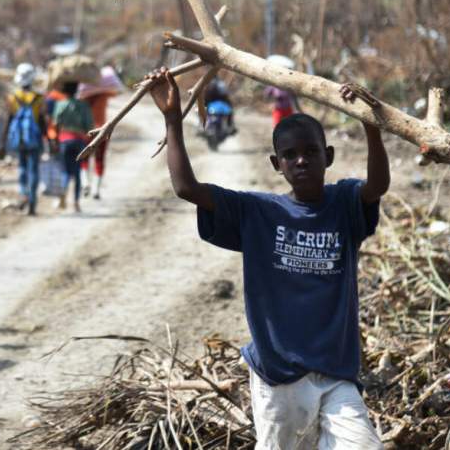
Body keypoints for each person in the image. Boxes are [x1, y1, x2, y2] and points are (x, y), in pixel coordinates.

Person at [148, 67, 390, 450]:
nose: (301, 161)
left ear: (327, 156)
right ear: (276, 164)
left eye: (311, 152)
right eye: (289, 155)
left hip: (336, 372)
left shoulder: (344, 204)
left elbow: (377, 186)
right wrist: (172, 119)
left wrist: (370, 125)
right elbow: (186, 188)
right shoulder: (257, 213)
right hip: (279, 377)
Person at [0, 63, 47, 215]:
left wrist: (2, 142)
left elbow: (9, 119)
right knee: (34, 170)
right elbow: (42, 121)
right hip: (35, 139)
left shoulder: (12, 98)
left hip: (19, 139)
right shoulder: (39, 98)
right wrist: (49, 140)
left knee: (22, 168)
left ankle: (24, 193)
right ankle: (32, 202)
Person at [51, 80, 93, 212]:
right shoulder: (83, 106)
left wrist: (56, 142)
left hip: (64, 140)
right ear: (76, 91)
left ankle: (62, 195)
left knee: (65, 171)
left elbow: (56, 124)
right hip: (79, 141)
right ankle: (76, 202)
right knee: (77, 171)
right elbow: (89, 126)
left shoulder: (60, 105)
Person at [79, 66, 121, 200]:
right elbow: (116, 92)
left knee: (84, 158)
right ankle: (96, 190)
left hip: (86, 131)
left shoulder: (83, 98)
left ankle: (85, 182)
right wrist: (101, 85)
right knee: (100, 159)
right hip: (102, 131)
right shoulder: (104, 95)